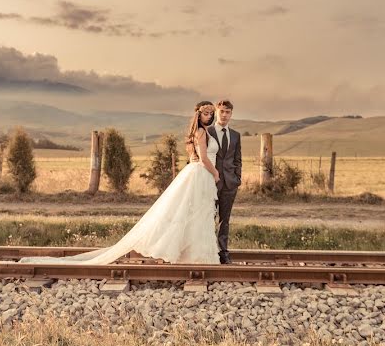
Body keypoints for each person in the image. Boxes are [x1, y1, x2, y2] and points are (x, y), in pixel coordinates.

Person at [18, 101, 221, 265]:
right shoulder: (201, 133)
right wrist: (216, 173)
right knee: (195, 213)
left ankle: (192, 253)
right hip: (201, 172)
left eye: (211, 114)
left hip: (198, 173)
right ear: (198, 115)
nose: (209, 116)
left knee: (195, 213)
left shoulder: (201, 132)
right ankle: (194, 255)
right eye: (206, 113)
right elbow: (203, 158)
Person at [208, 99, 242, 264]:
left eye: (227, 112)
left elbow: (238, 159)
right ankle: (208, 250)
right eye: (222, 111)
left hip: (230, 184)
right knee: (208, 217)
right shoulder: (208, 132)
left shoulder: (235, 135)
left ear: (231, 114)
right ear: (216, 112)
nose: (224, 115)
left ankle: (223, 252)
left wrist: (237, 179)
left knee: (224, 219)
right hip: (210, 182)